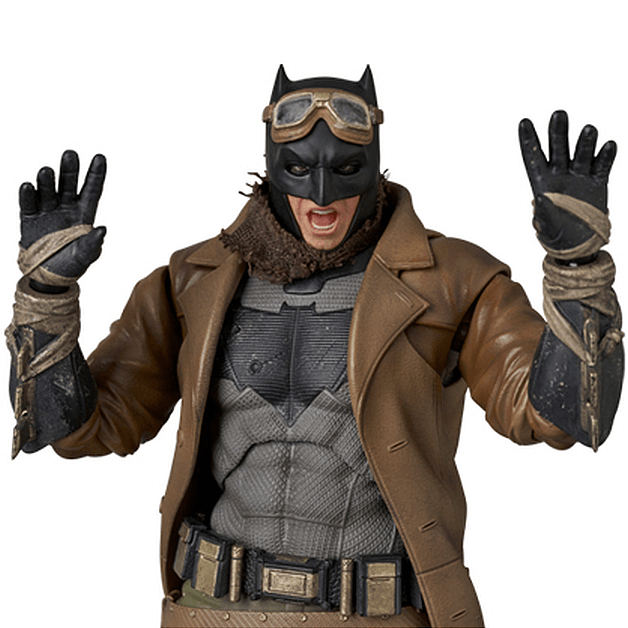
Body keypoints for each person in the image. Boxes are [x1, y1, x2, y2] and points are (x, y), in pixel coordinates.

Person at [7, 66, 623, 628]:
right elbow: (82, 429)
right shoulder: (192, 282)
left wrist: (577, 268)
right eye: (299, 170)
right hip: (211, 611)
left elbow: (559, 414)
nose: (323, 196)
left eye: (345, 170)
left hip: (376, 615)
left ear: (374, 164)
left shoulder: (454, 279)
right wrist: (46, 296)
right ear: (271, 163)